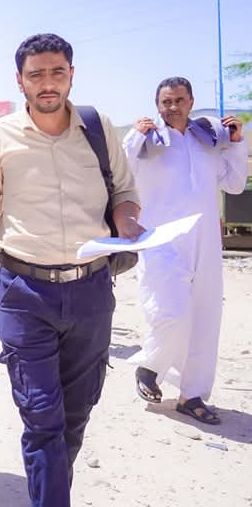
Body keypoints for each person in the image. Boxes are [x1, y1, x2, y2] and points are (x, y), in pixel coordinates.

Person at [0, 33, 143, 507]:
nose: (47, 83)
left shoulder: (98, 128)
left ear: (71, 75)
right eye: (36, 74)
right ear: (19, 80)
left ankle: (50, 491)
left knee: (75, 416)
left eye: (56, 72)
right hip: (26, 293)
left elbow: (124, 192)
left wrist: (128, 223)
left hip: (91, 292)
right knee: (42, 417)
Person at [122, 76, 248, 424]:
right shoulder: (147, 141)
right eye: (166, 101)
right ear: (157, 105)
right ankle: (150, 368)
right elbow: (120, 175)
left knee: (206, 318)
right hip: (161, 242)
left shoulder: (207, 139)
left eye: (179, 100)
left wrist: (236, 142)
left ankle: (192, 395)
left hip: (205, 242)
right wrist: (133, 137)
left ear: (191, 102)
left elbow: (235, 184)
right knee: (171, 313)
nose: (173, 107)